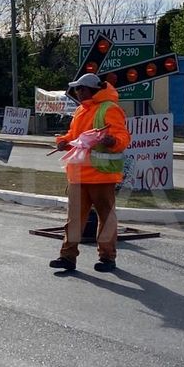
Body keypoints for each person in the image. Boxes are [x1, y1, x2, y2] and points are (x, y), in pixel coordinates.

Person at [49, 72, 130, 273]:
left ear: (92, 90)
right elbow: (74, 137)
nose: (77, 92)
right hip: (78, 174)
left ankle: (107, 258)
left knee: (106, 217)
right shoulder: (80, 111)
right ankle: (67, 257)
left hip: (101, 174)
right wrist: (63, 141)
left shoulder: (110, 109)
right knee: (74, 219)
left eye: (81, 89)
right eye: (76, 89)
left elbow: (123, 137)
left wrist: (112, 142)